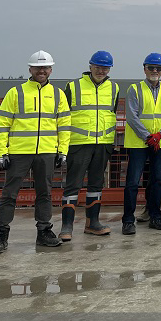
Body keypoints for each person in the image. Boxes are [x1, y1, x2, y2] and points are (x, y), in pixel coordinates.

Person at [0, 50, 70, 254]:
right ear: (30, 69)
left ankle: (44, 232)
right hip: (19, 153)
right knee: (9, 194)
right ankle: (1, 237)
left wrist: (63, 151)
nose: (41, 70)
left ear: (51, 70)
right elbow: (2, 124)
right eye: (37, 67)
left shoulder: (58, 94)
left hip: (46, 152)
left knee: (45, 193)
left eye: (45, 67)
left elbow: (64, 124)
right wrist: (2, 153)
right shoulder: (15, 93)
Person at [59, 50, 119, 241]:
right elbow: (63, 116)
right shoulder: (73, 86)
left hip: (102, 144)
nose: (101, 71)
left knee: (96, 185)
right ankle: (67, 226)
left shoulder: (114, 88)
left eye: (105, 67)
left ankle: (92, 223)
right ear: (90, 66)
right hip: (79, 144)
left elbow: (111, 113)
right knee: (73, 185)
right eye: (98, 67)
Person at [122, 53, 161, 234]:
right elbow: (131, 116)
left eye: (158, 68)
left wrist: (160, 135)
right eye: (151, 68)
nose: (154, 71)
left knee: (158, 181)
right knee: (132, 182)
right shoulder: (134, 89)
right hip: (139, 143)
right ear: (144, 68)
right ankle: (128, 220)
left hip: (160, 143)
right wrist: (148, 137)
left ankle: (156, 216)